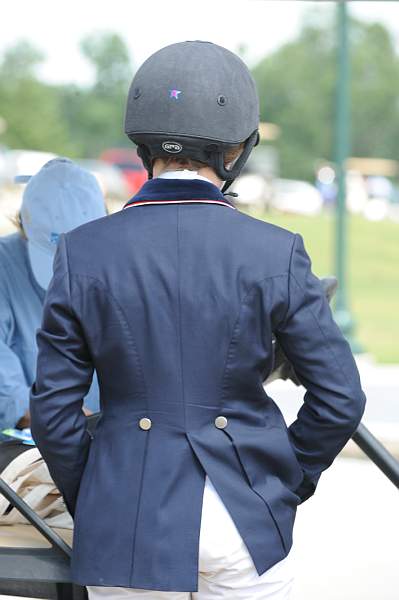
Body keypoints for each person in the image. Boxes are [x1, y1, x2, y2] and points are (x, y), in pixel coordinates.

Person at [30, 42, 366, 599]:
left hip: (127, 517)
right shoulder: (275, 251)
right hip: (242, 517)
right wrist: (280, 483)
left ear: (143, 148)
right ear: (236, 151)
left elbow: (52, 411)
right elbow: (340, 397)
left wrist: (96, 492)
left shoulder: (84, 251)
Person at [0, 157, 106, 431]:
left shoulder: (123, 268)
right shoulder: (3, 266)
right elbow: (6, 390)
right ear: (22, 224)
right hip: (27, 445)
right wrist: (53, 415)